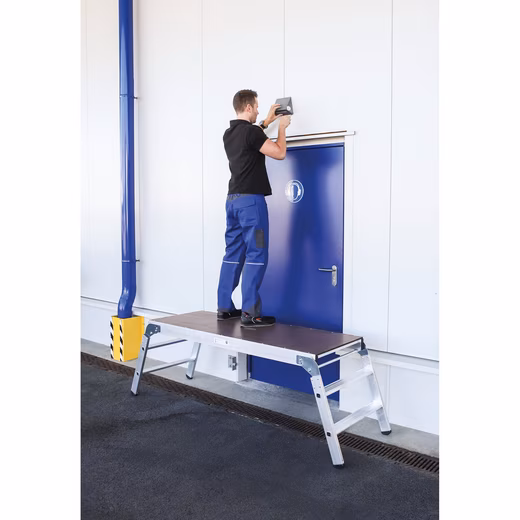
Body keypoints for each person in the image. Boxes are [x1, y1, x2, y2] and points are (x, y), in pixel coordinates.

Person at [217, 89, 291, 327]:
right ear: (248, 107)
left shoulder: (229, 133)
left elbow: (251, 136)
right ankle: (251, 313)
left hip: (233, 201)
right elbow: (279, 153)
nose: (259, 110)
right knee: (256, 253)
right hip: (251, 203)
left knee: (233, 253)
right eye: (257, 107)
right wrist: (281, 128)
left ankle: (224, 307)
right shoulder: (251, 132)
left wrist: (267, 121)